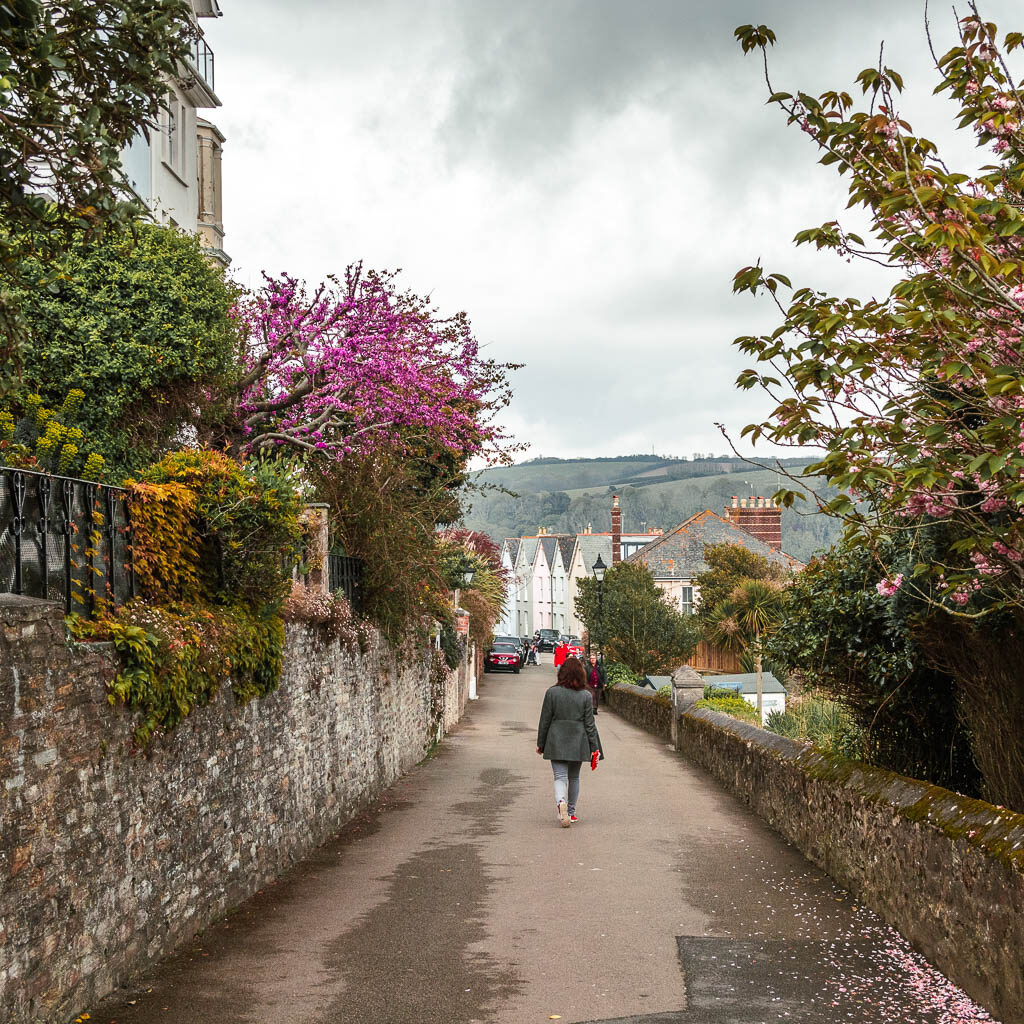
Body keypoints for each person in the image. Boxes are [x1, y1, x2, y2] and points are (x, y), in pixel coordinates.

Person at [536, 658, 603, 827]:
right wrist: (594, 748)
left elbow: (545, 720)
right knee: (574, 777)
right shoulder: (586, 696)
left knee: (559, 777)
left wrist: (541, 743)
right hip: (578, 741)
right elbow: (590, 725)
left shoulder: (552, 693)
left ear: (562, 673)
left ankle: (561, 803)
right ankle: (571, 812)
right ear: (581, 674)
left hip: (556, 739)